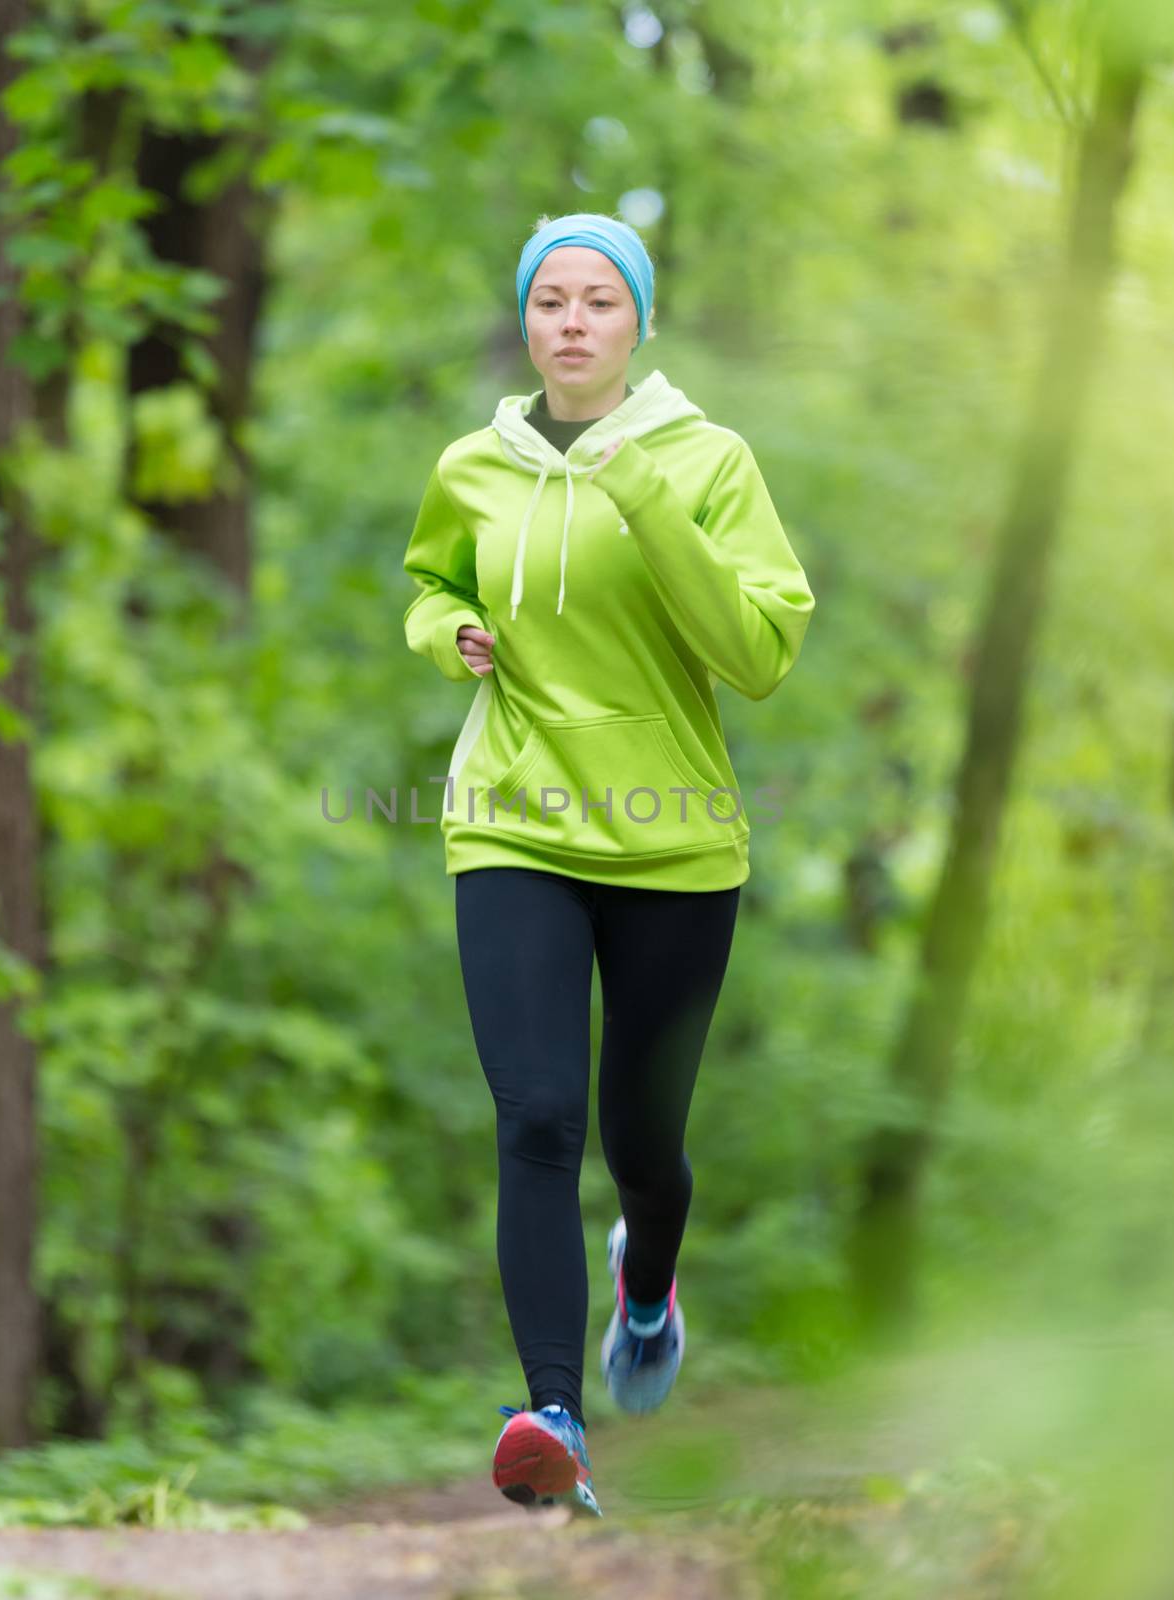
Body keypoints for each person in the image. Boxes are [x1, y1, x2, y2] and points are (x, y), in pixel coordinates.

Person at [400, 211, 816, 1517]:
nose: (572, 323)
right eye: (550, 303)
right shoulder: (476, 462)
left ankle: (648, 1281)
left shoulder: (709, 461)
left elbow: (758, 655)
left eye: (599, 303)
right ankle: (552, 1416)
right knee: (535, 1119)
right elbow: (428, 578)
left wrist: (641, 491)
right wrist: (449, 626)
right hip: (512, 818)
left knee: (644, 1142)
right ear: (526, 321)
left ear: (637, 324)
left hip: (673, 839)